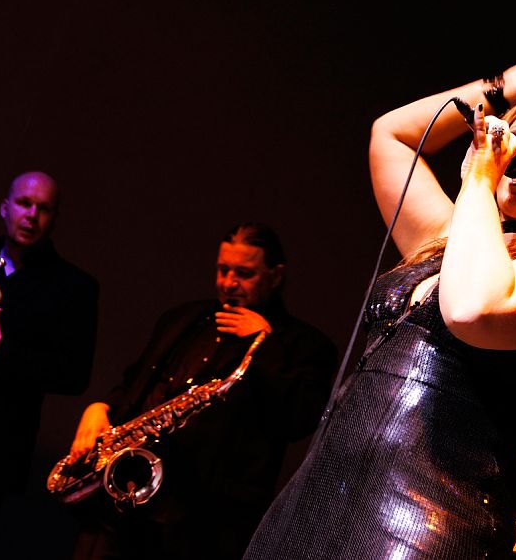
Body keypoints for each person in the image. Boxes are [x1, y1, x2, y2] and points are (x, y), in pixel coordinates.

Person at [242, 36, 516, 559]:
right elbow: (391, 136)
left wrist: (478, 180)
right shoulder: (447, 239)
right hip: (317, 498)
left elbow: (472, 309)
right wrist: (507, 86)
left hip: (422, 523)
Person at [65, 221, 338, 560]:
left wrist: (265, 345)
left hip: (204, 528)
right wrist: (100, 407)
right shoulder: (182, 318)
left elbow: (299, 419)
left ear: (276, 276)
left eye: (244, 274)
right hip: (127, 505)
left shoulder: (304, 344)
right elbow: (135, 383)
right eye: (223, 270)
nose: (229, 283)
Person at [0, 171, 100, 558]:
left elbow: (73, 374)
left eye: (43, 208)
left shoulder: (75, 288)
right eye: (24, 203)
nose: (31, 215)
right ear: (4, 208)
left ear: (54, 218)